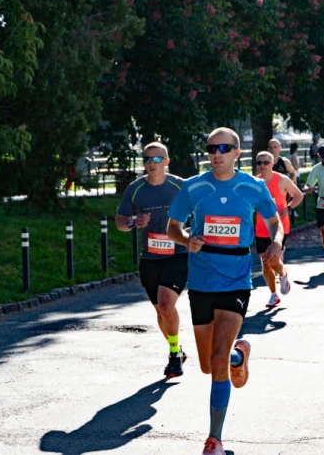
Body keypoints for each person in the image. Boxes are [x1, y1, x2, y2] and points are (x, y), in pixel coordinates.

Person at [166, 127, 284, 455]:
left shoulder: (252, 186)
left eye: (223, 147)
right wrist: (186, 239)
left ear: (236, 153)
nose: (216, 153)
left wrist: (276, 241)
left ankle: (214, 439)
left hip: (236, 280)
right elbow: (172, 227)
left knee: (215, 359)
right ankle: (238, 355)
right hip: (201, 282)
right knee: (209, 364)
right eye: (211, 148)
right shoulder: (193, 187)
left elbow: (276, 223)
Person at [115, 142, 189, 379]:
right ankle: (177, 347)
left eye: (157, 159)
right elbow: (120, 220)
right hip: (150, 258)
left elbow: (200, 210)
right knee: (160, 311)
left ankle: (174, 356)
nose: (151, 164)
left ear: (166, 161)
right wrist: (133, 223)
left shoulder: (181, 185)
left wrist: (191, 233)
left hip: (177, 255)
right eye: (147, 159)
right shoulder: (135, 189)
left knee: (166, 304)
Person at [254, 151, 304, 307]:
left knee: (272, 259)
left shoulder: (282, 180)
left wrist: (288, 208)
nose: (262, 165)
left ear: (272, 163)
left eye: (266, 162)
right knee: (265, 262)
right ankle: (273, 295)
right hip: (261, 228)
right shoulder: (255, 182)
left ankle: (282, 274)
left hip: (279, 227)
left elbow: (298, 195)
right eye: (259, 163)